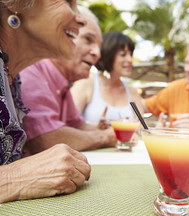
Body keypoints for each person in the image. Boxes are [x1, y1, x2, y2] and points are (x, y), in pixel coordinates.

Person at [0, 1, 91, 204]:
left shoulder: (13, 78)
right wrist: (13, 178)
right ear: (17, 4)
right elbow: (45, 139)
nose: (82, 18)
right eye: (68, 2)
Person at [19, 6, 116, 155]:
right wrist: (104, 137)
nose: (97, 54)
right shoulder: (31, 69)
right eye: (88, 40)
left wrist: (105, 129)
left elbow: (76, 125)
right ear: (65, 35)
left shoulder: (63, 85)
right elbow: (44, 139)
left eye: (99, 47)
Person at [71, 31, 144, 125]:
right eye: (123, 54)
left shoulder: (132, 92)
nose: (130, 60)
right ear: (108, 55)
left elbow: (142, 128)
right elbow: (68, 123)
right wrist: (96, 127)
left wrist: (155, 130)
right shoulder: (86, 84)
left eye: (130, 55)